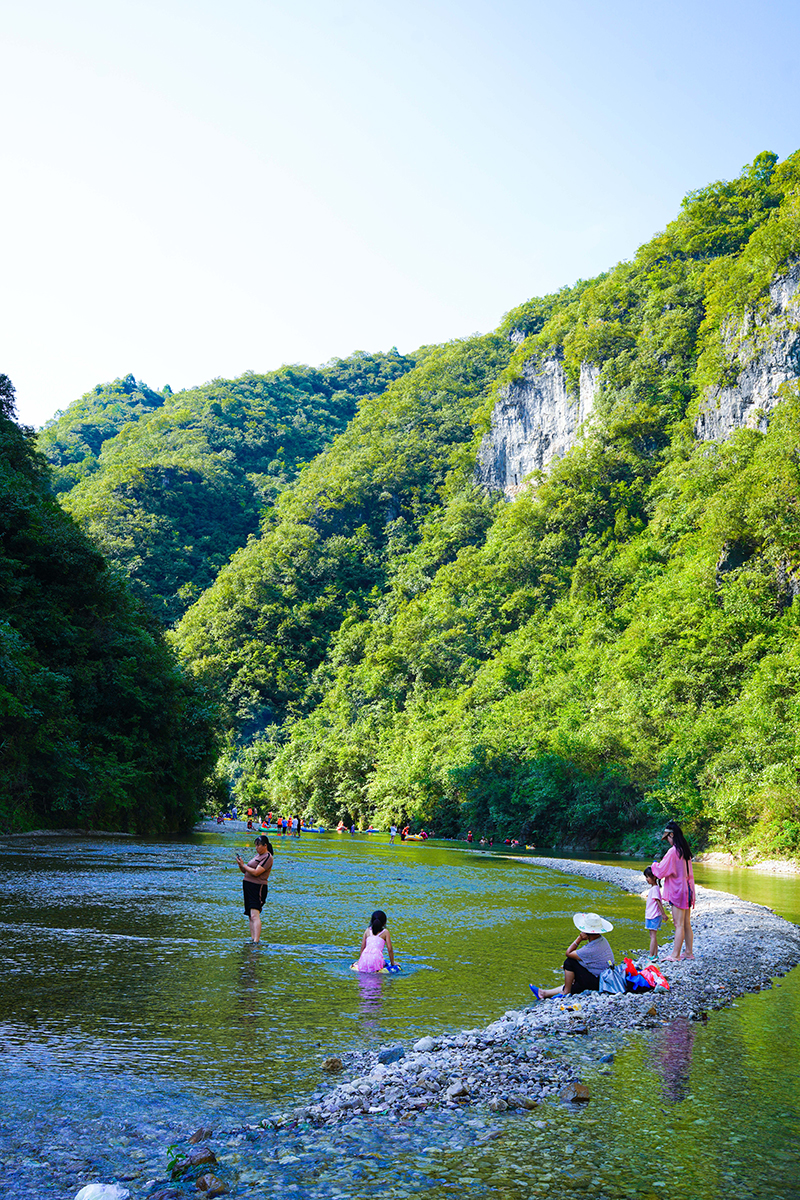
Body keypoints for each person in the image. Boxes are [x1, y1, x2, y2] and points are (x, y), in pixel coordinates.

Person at [529, 912, 615, 999]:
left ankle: (566, 992)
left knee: (569, 962)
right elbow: (592, 961)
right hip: (603, 980)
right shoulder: (602, 940)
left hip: (597, 982)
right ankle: (544, 993)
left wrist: (579, 938)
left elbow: (569, 953)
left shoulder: (591, 947)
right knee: (573, 985)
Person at [651, 820, 696, 961]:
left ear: (671, 835)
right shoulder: (685, 850)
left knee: (678, 924)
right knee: (686, 923)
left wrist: (653, 865)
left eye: (668, 838)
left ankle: (675, 955)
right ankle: (688, 952)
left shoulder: (673, 851)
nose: (667, 841)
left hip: (677, 890)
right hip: (688, 889)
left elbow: (660, 871)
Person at [235, 835, 273, 944]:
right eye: (255, 846)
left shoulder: (267, 857)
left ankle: (256, 941)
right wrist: (240, 865)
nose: (256, 848)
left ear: (265, 846)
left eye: (258, 846)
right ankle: (252, 939)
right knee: (250, 915)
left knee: (254, 915)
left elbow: (256, 872)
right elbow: (246, 871)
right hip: (248, 886)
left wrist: (244, 865)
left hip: (258, 887)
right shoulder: (258, 855)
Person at [643, 867, 669, 959]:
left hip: (654, 915)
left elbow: (658, 902)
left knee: (653, 936)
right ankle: (655, 954)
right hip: (651, 915)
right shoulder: (654, 888)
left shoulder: (654, 889)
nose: (646, 879)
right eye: (646, 877)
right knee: (652, 935)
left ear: (654, 877)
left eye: (648, 877)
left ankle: (651, 956)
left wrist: (663, 914)